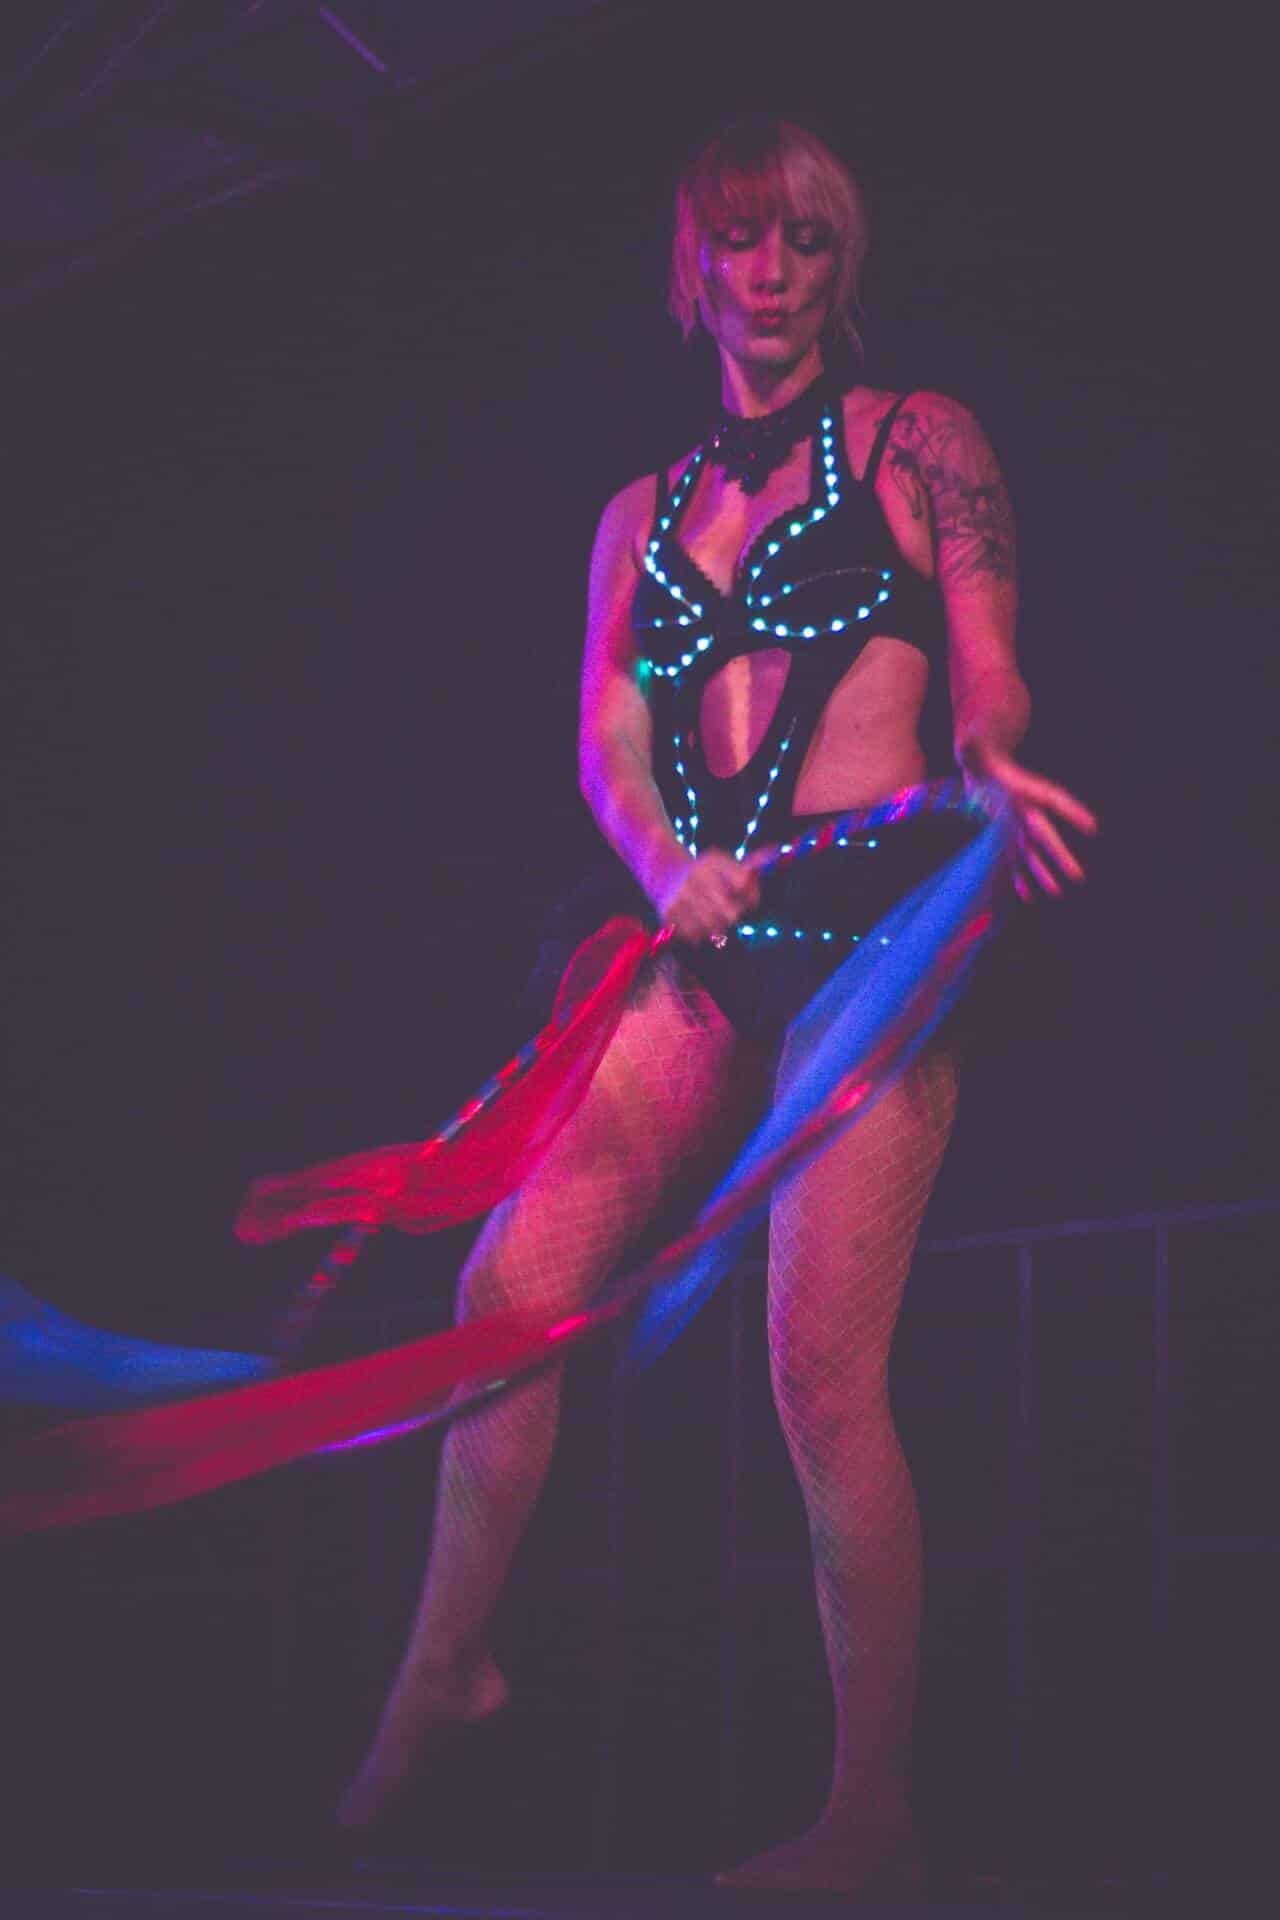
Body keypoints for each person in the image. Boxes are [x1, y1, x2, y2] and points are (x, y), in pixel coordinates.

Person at [336, 115, 1096, 1892]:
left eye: (806, 245)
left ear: (844, 266)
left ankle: (870, 1815)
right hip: (710, 932)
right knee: (506, 1288)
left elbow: (987, 663)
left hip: (874, 940)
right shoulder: (641, 515)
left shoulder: (918, 441)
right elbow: (607, 742)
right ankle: (447, 1664)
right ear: (694, 265)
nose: (772, 275)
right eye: (742, 242)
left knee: (817, 1374)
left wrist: (993, 753)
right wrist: (668, 860)